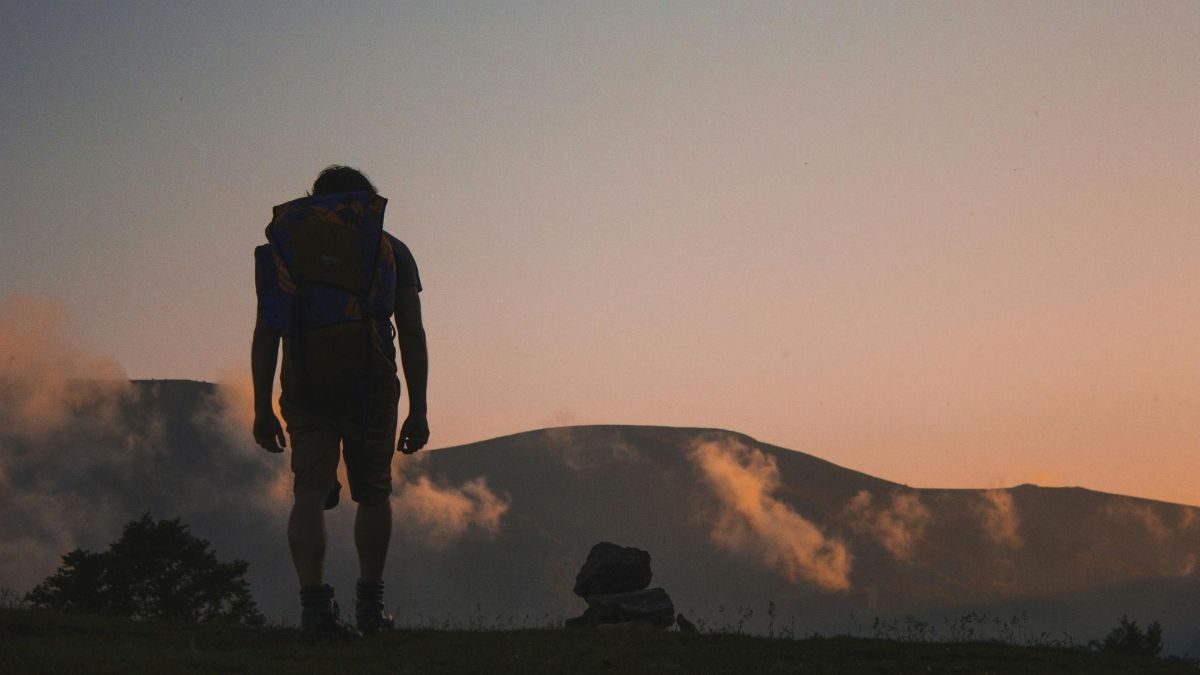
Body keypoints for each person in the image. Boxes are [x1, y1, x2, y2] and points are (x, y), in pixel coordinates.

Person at [250, 165, 429, 640]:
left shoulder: (288, 249)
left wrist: (261, 406)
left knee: (308, 493)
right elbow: (410, 331)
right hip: (369, 382)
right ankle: (370, 609)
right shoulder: (388, 249)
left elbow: (268, 332)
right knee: (372, 493)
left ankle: (315, 611)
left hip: (305, 380)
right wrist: (420, 407)